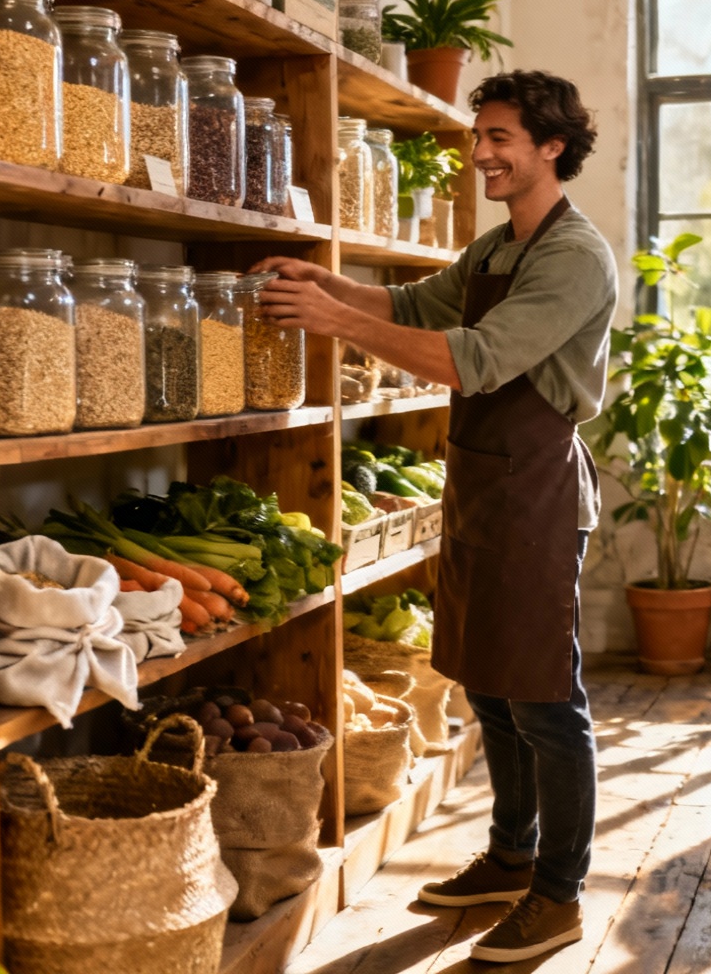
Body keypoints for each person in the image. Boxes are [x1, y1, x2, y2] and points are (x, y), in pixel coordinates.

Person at [249, 71, 614, 963]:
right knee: (490, 683)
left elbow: (479, 360)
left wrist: (330, 317)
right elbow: (414, 308)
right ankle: (511, 854)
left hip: (537, 495)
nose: (480, 153)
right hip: (485, 488)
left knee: (545, 699)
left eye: (498, 137)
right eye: (478, 136)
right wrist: (326, 280)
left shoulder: (574, 256)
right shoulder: (497, 250)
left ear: (550, 146)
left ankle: (559, 894)